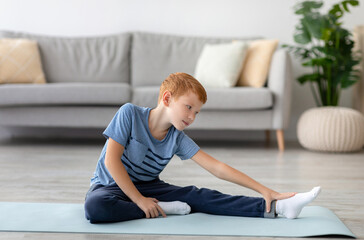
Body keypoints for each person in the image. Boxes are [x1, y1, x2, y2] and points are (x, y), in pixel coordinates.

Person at [84, 72, 321, 223]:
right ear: (167, 99)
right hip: (110, 187)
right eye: (188, 107)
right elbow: (111, 162)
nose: (192, 117)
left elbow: (217, 167)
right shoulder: (129, 114)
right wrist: (139, 201)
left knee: (199, 195)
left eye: (197, 112)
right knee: (95, 207)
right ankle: (161, 208)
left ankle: (279, 208)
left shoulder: (176, 137)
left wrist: (265, 190)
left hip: (150, 187)